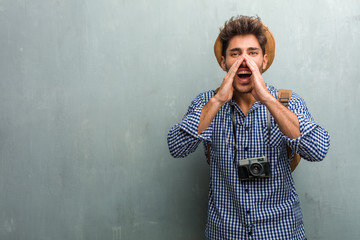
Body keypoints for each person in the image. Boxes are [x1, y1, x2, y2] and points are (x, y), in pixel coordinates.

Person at [167, 15, 330, 240]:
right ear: (224, 62)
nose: (244, 61)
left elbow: (318, 150)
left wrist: (267, 100)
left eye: (252, 53)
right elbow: (176, 147)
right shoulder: (206, 103)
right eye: (235, 53)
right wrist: (216, 102)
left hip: (280, 232)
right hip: (225, 232)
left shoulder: (288, 102)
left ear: (264, 60)